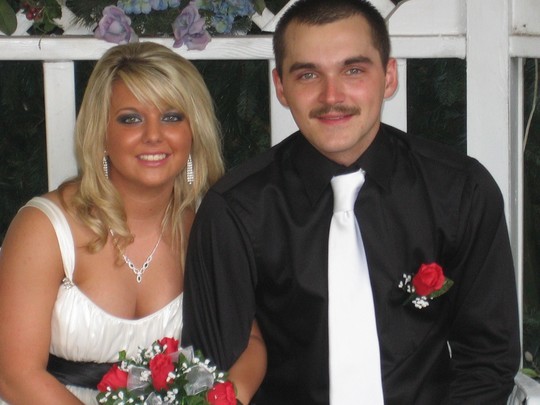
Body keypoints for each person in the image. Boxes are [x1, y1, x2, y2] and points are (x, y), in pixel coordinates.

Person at [181, 0, 521, 403]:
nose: (332, 96)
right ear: (281, 87)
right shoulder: (235, 211)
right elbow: (213, 370)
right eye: (308, 74)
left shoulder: (459, 191)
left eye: (353, 70)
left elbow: (488, 359)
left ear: (389, 77)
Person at [0, 42, 264, 405]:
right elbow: (15, 375)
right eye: (131, 119)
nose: (154, 135)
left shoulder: (210, 224)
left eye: (172, 117)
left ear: (193, 132)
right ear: (101, 133)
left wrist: (225, 399)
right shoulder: (44, 228)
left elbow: (250, 342)